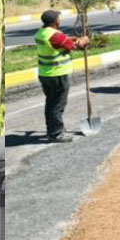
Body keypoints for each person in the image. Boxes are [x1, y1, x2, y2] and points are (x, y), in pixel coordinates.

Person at [34, 10, 90, 143]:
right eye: (60, 18)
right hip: (58, 74)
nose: (61, 20)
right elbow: (75, 46)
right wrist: (84, 40)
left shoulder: (41, 33)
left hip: (45, 74)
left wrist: (72, 38)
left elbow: (60, 41)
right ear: (55, 21)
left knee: (51, 103)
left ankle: (52, 129)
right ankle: (56, 133)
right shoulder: (55, 35)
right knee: (58, 105)